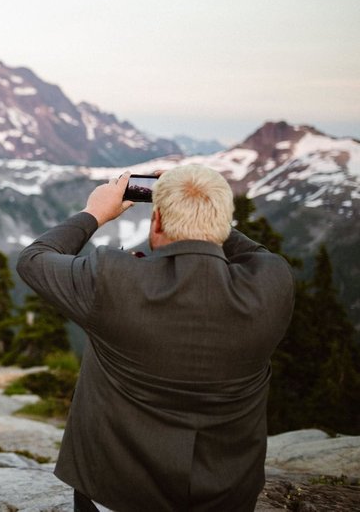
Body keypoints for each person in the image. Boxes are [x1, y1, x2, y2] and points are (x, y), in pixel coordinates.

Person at [16, 164, 294, 512]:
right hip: (229, 496)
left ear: (157, 221)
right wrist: (202, 209)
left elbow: (33, 259)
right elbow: (258, 255)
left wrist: (95, 213)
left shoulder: (114, 279)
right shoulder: (273, 283)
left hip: (116, 493)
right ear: (223, 223)